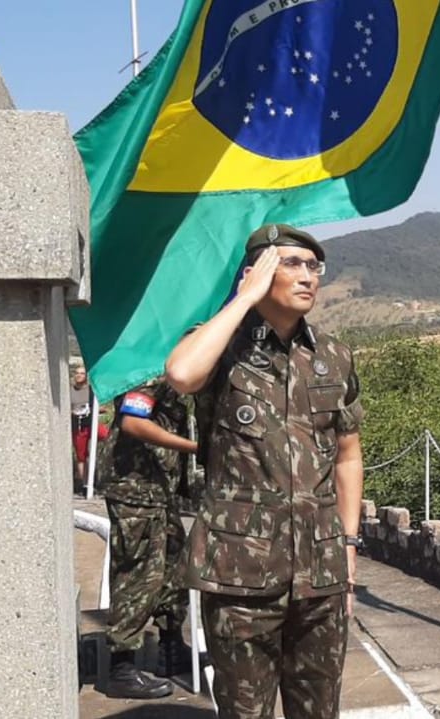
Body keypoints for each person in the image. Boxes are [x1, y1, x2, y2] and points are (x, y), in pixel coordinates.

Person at [165, 223, 364, 719]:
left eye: (314, 266)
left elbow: (348, 455)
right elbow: (182, 374)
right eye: (291, 264)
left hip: (320, 570)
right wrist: (243, 298)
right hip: (240, 572)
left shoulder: (333, 356)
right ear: (256, 273)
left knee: (319, 710)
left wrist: (350, 543)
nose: (308, 276)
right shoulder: (221, 345)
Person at [96, 379, 198, 699]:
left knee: (171, 568)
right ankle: (121, 667)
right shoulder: (151, 374)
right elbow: (133, 422)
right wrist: (193, 447)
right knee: (138, 576)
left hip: (159, 491)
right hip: (135, 490)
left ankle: (170, 648)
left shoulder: (176, 372)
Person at [71, 365, 93, 494]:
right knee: (81, 455)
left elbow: (98, 406)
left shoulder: (91, 391)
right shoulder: (70, 391)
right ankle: (84, 484)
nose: (79, 375)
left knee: (106, 434)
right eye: (77, 373)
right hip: (77, 426)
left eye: (82, 373)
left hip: (90, 423)